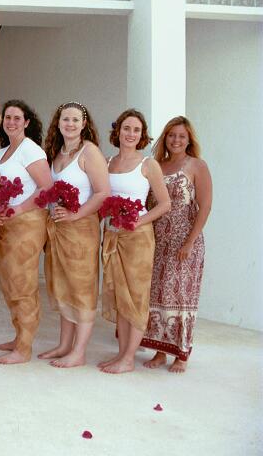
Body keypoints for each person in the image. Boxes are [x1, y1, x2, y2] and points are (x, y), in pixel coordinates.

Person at [99, 109, 171, 374]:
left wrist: (138, 221)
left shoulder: (148, 165)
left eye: (136, 130)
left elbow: (164, 204)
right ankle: (121, 354)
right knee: (120, 295)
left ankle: (129, 358)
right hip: (112, 236)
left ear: (142, 135)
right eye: (126, 128)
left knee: (136, 296)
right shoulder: (107, 162)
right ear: (117, 131)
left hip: (138, 237)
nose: (131, 134)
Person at [39, 101, 109, 368]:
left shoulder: (89, 152)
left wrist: (75, 214)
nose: (70, 124)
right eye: (65, 119)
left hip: (81, 229)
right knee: (63, 287)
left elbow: (102, 193)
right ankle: (64, 345)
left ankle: (78, 352)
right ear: (58, 123)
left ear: (84, 124)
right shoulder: (57, 153)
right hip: (59, 229)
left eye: (75, 120)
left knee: (81, 289)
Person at [141, 116, 212, 373]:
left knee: (181, 297)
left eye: (182, 136)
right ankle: (160, 351)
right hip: (158, 239)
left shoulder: (197, 165)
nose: (176, 140)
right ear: (165, 138)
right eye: (171, 135)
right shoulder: (157, 165)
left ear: (189, 139)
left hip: (184, 240)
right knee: (158, 295)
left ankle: (181, 354)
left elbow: (205, 206)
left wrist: (190, 242)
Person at [0, 100, 52, 365]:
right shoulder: (2, 152)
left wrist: (18, 209)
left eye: (17, 118)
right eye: (8, 117)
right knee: (9, 282)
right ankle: (19, 337)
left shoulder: (31, 150)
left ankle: (24, 348)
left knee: (23, 284)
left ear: (27, 122)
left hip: (27, 223)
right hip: (7, 224)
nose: (11, 122)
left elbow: (46, 188)